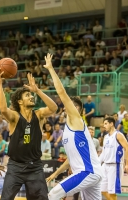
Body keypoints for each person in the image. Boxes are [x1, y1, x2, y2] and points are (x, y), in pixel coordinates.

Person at [44, 53, 102, 200]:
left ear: (80, 111)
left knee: (52, 195)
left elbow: (62, 93)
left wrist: (50, 68)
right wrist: (55, 174)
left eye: (75, 106)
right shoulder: (67, 131)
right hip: (92, 173)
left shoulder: (77, 120)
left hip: (87, 172)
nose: (71, 107)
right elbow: (70, 160)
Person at [0, 65, 58, 200]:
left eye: (31, 95)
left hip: (35, 166)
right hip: (15, 166)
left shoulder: (39, 114)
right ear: (19, 101)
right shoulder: (15, 117)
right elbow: (3, 109)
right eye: (27, 95)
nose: (31, 97)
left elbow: (54, 108)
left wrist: (38, 90)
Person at [100, 117, 128, 200]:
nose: (104, 126)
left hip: (115, 166)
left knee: (112, 193)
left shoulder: (118, 135)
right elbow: (103, 153)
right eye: (104, 124)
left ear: (111, 124)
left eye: (106, 123)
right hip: (105, 165)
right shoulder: (106, 136)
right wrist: (97, 164)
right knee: (102, 190)